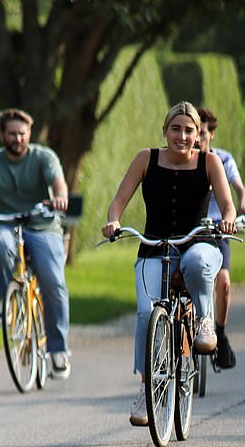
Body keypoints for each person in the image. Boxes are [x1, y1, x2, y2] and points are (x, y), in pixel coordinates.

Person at [102, 101, 236, 426]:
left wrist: (229, 221)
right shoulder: (145, 158)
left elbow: (228, 206)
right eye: (175, 128)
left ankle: (204, 320)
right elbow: (118, 201)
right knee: (147, 314)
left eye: (189, 130)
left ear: (198, 135)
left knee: (196, 261)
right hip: (154, 245)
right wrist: (113, 222)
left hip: (199, 242)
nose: (182, 135)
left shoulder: (210, 162)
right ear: (164, 131)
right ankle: (147, 390)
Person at [0, 107, 72, 379]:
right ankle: (4, 299)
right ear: (2, 135)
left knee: (53, 282)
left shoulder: (44, 157)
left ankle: (58, 350)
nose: (18, 139)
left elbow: (58, 183)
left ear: (30, 134)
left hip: (43, 226)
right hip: (7, 224)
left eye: (22, 134)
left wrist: (60, 197)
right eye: (12, 134)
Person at [196, 106, 245, 369]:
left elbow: (238, 187)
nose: (197, 139)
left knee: (223, 283)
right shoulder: (185, 159)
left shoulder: (223, 160)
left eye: (202, 133)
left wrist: (240, 207)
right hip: (192, 228)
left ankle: (221, 333)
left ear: (211, 134)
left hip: (217, 228)